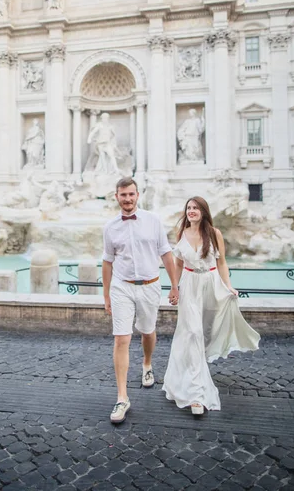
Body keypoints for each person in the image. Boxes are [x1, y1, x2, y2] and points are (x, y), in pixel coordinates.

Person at [163, 196, 260, 414]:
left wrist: (229, 286)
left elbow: (222, 262)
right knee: (193, 332)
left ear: (204, 212)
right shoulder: (182, 234)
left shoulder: (214, 234)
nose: (191, 211)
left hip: (211, 284)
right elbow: (178, 264)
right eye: (188, 208)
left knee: (205, 333)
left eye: (196, 208)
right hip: (189, 285)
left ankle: (185, 373)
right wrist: (174, 287)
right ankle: (197, 396)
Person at [103, 177, 179, 424]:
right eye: (123, 195)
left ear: (138, 195)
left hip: (149, 285)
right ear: (116, 196)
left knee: (148, 331)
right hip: (122, 287)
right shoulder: (110, 227)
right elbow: (107, 262)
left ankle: (147, 364)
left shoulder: (153, 221)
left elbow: (166, 254)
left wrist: (174, 285)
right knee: (121, 338)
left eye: (131, 194)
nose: (127, 199)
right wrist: (106, 295)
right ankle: (122, 397)